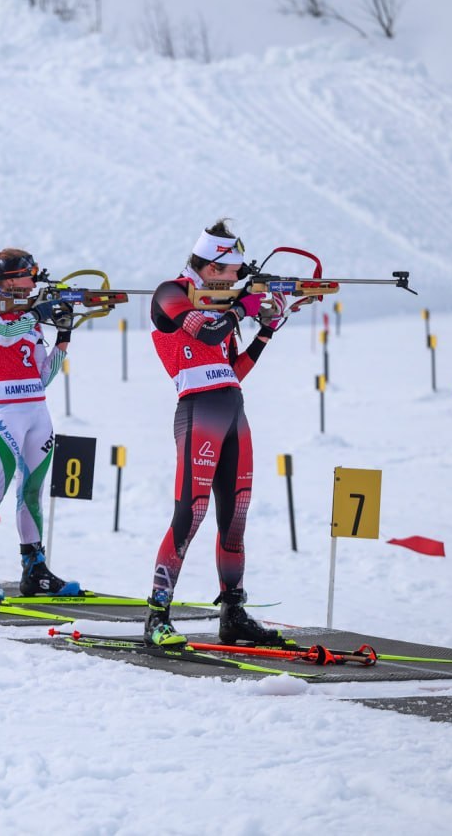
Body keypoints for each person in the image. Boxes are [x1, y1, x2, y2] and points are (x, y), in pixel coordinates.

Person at [146, 219, 288, 647]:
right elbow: (208, 332)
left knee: (236, 516)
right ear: (211, 267)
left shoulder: (221, 306)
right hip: (197, 411)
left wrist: (265, 330)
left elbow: (232, 371)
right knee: (191, 513)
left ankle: (233, 613)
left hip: (232, 409)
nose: (236, 281)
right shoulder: (170, 294)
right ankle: (156, 617)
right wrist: (243, 306)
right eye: (232, 273)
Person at [0, 248, 81, 603]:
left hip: (37, 412)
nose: (34, 283)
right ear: (9, 279)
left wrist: (63, 337)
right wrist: (35, 313)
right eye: (30, 276)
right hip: (3, 413)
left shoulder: (27, 316)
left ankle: (35, 569)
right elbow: (4, 334)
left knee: (32, 493)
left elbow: (43, 376)